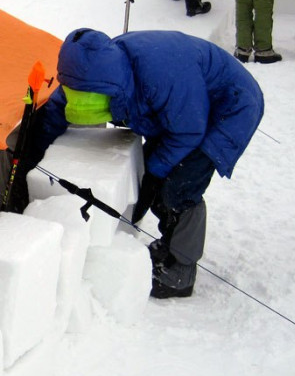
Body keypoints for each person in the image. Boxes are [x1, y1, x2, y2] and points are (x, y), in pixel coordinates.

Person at [23, 28, 264, 299]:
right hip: (183, 109)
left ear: (112, 88)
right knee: (157, 174)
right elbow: (56, 111)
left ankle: (180, 272)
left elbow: (188, 131)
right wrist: (34, 154)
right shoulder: (86, 73)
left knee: (180, 186)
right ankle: (169, 243)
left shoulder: (160, 77)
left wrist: (154, 174)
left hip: (230, 105)